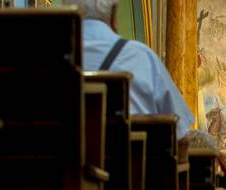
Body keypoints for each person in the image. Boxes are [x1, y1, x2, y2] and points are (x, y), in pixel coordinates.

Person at [76, 0, 194, 140]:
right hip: (125, 159)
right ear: (114, 14)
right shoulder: (143, 58)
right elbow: (179, 136)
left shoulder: (46, 58)